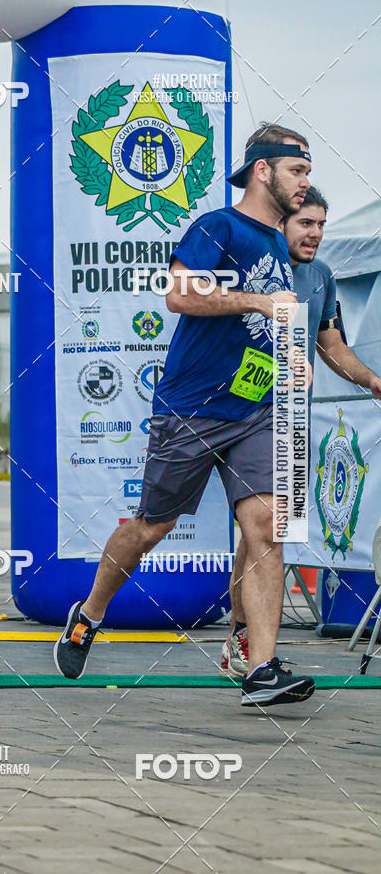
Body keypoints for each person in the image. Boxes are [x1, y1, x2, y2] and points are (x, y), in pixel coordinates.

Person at [55, 122, 318, 707]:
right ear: (263, 170)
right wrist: (255, 300)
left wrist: (291, 360)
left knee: (267, 529)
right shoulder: (217, 227)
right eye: (297, 170)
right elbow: (180, 296)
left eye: (308, 172)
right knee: (152, 527)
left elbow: (263, 328)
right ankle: (90, 612)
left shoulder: (278, 243)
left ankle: (262, 669)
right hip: (193, 409)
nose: (305, 182)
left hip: (255, 408)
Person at [221, 186, 381, 675]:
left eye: (321, 225)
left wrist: (373, 380)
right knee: (251, 530)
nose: (315, 234)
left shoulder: (322, 275)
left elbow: (330, 346)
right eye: (305, 224)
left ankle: (247, 645)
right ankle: (244, 640)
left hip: (290, 421)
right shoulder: (252, 264)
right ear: (281, 223)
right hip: (234, 416)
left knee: (265, 534)